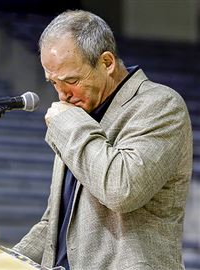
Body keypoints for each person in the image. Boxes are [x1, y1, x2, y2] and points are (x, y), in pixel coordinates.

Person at [13, 10, 193, 270]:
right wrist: (4, 260)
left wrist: (69, 124)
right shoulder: (78, 114)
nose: (63, 94)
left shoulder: (161, 105)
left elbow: (121, 189)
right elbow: (54, 224)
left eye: (71, 80)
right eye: (53, 83)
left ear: (107, 63)